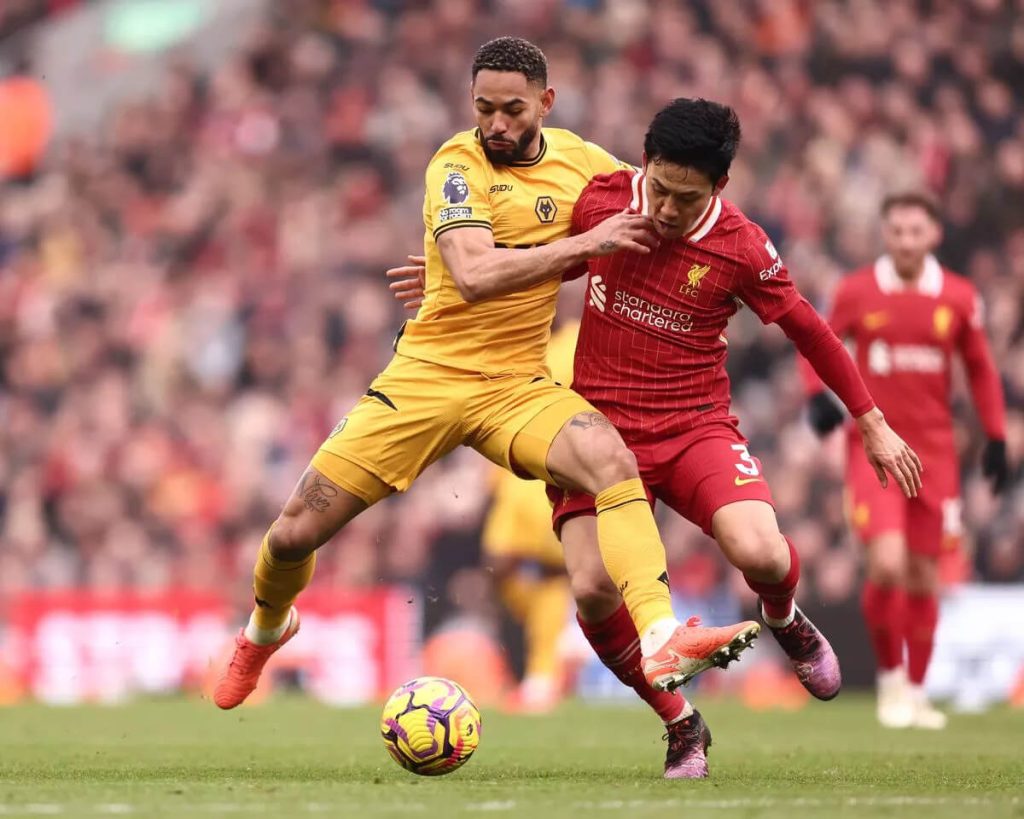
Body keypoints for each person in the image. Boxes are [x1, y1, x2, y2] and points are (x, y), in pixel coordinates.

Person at [213, 38, 760, 716]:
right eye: (484, 109)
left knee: (608, 456)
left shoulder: (586, 165)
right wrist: (577, 247)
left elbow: (671, 213)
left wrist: (745, 274)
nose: (496, 125)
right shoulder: (455, 163)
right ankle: (267, 627)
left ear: (545, 103)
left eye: (511, 110)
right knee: (294, 530)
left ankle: (661, 632)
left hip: (514, 386)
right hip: (427, 377)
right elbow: (472, 275)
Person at [388, 97, 923, 778]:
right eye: (659, 186)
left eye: (684, 197)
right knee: (588, 590)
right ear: (645, 162)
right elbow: (534, 260)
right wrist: (447, 278)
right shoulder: (605, 203)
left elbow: (810, 331)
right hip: (595, 431)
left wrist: (871, 422)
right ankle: (681, 724)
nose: (664, 208)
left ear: (720, 187)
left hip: (692, 426)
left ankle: (785, 617)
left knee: (759, 549)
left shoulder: (742, 246)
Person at [802, 192, 1008, 730]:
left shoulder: (960, 298)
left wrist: (996, 436)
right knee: (887, 562)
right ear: (884, 234)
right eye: (897, 231)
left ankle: (916, 692)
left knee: (923, 576)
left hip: (936, 454)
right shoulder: (856, 290)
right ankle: (890, 683)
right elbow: (816, 342)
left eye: (916, 231)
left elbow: (981, 368)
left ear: (934, 235)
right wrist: (815, 397)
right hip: (874, 450)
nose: (906, 241)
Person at [480, 317, 579, 713]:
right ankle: (557, 644)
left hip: (546, 465)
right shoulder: (517, 335)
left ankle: (543, 674)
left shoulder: (576, 339)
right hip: (509, 471)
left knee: (551, 570)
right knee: (498, 567)